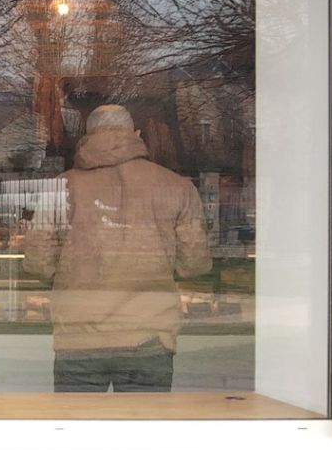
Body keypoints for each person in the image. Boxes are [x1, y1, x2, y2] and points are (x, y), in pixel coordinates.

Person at [22, 104, 212, 394]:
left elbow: (38, 263)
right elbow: (195, 264)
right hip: (149, 334)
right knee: (142, 433)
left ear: (85, 138)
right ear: (135, 134)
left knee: (77, 430)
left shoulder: (61, 187)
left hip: (78, 334)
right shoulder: (176, 186)